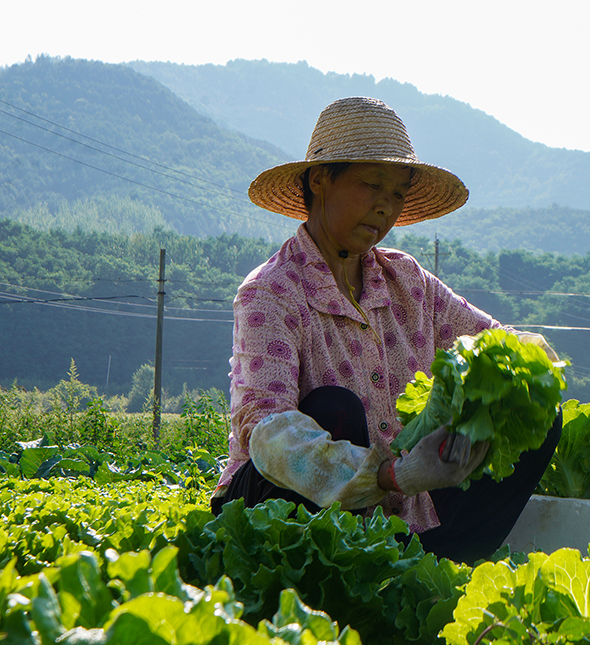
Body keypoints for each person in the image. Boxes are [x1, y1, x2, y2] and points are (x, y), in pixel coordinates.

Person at [211, 97, 562, 563]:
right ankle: (355, 565)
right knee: (335, 409)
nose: (385, 208)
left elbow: (492, 340)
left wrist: (526, 358)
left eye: (397, 194)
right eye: (371, 185)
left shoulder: (406, 281)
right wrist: (392, 475)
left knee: (528, 405)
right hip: (274, 507)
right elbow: (266, 430)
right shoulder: (271, 292)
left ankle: (443, 560)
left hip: (396, 510)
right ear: (320, 179)